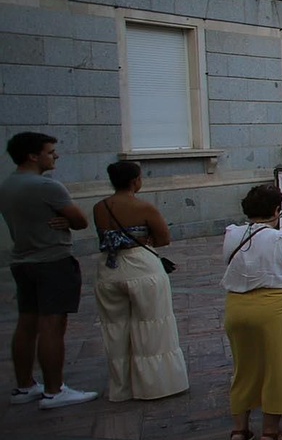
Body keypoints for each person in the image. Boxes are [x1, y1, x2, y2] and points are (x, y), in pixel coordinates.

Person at [2, 132, 94, 408]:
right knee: (52, 325)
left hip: (22, 260)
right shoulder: (47, 187)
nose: (55, 155)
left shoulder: (7, 185)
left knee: (26, 323)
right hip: (52, 261)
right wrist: (66, 221)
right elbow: (80, 221)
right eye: (50, 151)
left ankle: (24, 385)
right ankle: (55, 390)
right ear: (33, 155)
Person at [222, 184, 282, 440]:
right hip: (273, 307)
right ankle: (270, 433)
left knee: (244, 367)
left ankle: (239, 430)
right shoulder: (280, 238)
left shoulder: (232, 234)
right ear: (276, 210)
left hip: (236, 306)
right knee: (278, 367)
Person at [91, 161, 188, 401]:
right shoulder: (144, 207)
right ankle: (156, 385)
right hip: (141, 267)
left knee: (115, 327)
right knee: (153, 323)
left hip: (109, 268)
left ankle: (121, 386)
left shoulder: (99, 207)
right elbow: (163, 238)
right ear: (135, 180)